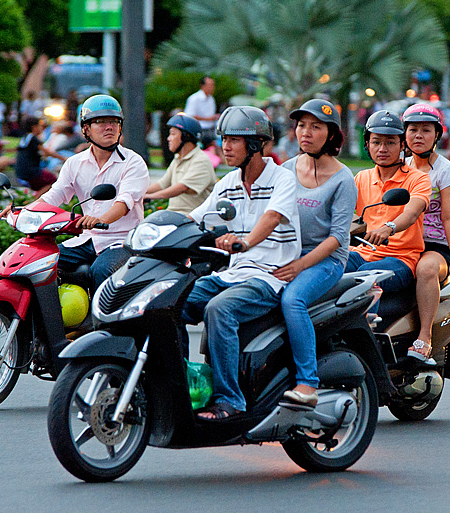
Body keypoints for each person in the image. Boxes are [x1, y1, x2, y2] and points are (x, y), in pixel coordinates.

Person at [181, 106, 301, 420]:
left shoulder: (282, 180)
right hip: (232, 274)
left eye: (235, 140)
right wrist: (152, 230)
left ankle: (230, 401)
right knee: (168, 303)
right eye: (224, 139)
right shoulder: (228, 184)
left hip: (269, 277)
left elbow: (273, 217)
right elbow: (195, 218)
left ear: (257, 145)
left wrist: (245, 242)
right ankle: (178, 387)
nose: (226, 146)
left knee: (218, 309)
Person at [276, 99, 356, 407]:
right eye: (301, 125)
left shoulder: (343, 179)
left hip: (325, 261)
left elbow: (338, 237)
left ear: (332, 135)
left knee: (292, 300)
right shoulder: (285, 170)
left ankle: (307, 383)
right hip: (285, 254)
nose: (305, 132)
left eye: (316, 127)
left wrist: (300, 266)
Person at [33, 95, 149, 291]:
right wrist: (23, 210)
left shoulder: (133, 162)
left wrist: (99, 219)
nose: (109, 127)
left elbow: (123, 203)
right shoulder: (74, 163)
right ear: (85, 129)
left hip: (122, 242)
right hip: (86, 239)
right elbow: (55, 195)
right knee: (40, 264)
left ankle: (105, 322)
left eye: (114, 122)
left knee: (102, 271)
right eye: (101, 122)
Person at [403, 103, 450, 363]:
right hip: (402, 242)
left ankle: (425, 337)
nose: (418, 135)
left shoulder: (444, 170)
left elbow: (449, 217)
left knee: (426, 270)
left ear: (437, 135)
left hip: (433, 245)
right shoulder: (399, 166)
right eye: (413, 129)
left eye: (426, 130)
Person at [345, 110, 430, 299]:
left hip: (400, 258)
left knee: (366, 276)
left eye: (390, 142)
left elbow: (411, 213)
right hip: (361, 253)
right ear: (367, 145)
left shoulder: (419, 179)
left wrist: (388, 228)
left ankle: (369, 327)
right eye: (376, 142)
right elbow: (341, 212)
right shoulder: (361, 178)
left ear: (402, 145)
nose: (382, 149)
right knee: (325, 269)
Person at [144, 113, 216, 215]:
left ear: (186, 136)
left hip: (193, 219)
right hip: (174, 215)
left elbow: (182, 187)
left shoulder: (200, 160)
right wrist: (139, 193)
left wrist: (150, 196)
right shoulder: (178, 158)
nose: (168, 138)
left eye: (173, 134)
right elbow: (162, 184)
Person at [15, 117, 64, 197]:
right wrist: (63, 158)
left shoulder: (25, 138)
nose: (42, 128)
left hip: (21, 171)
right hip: (31, 172)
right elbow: (47, 151)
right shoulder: (33, 139)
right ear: (34, 127)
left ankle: (35, 197)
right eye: (40, 125)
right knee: (52, 180)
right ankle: (35, 201)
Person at [183, 76, 219, 149]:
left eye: (213, 85)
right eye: (210, 85)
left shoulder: (211, 99)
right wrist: (209, 118)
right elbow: (189, 116)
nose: (212, 87)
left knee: (215, 149)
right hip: (198, 131)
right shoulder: (194, 99)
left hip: (210, 130)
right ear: (203, 86)